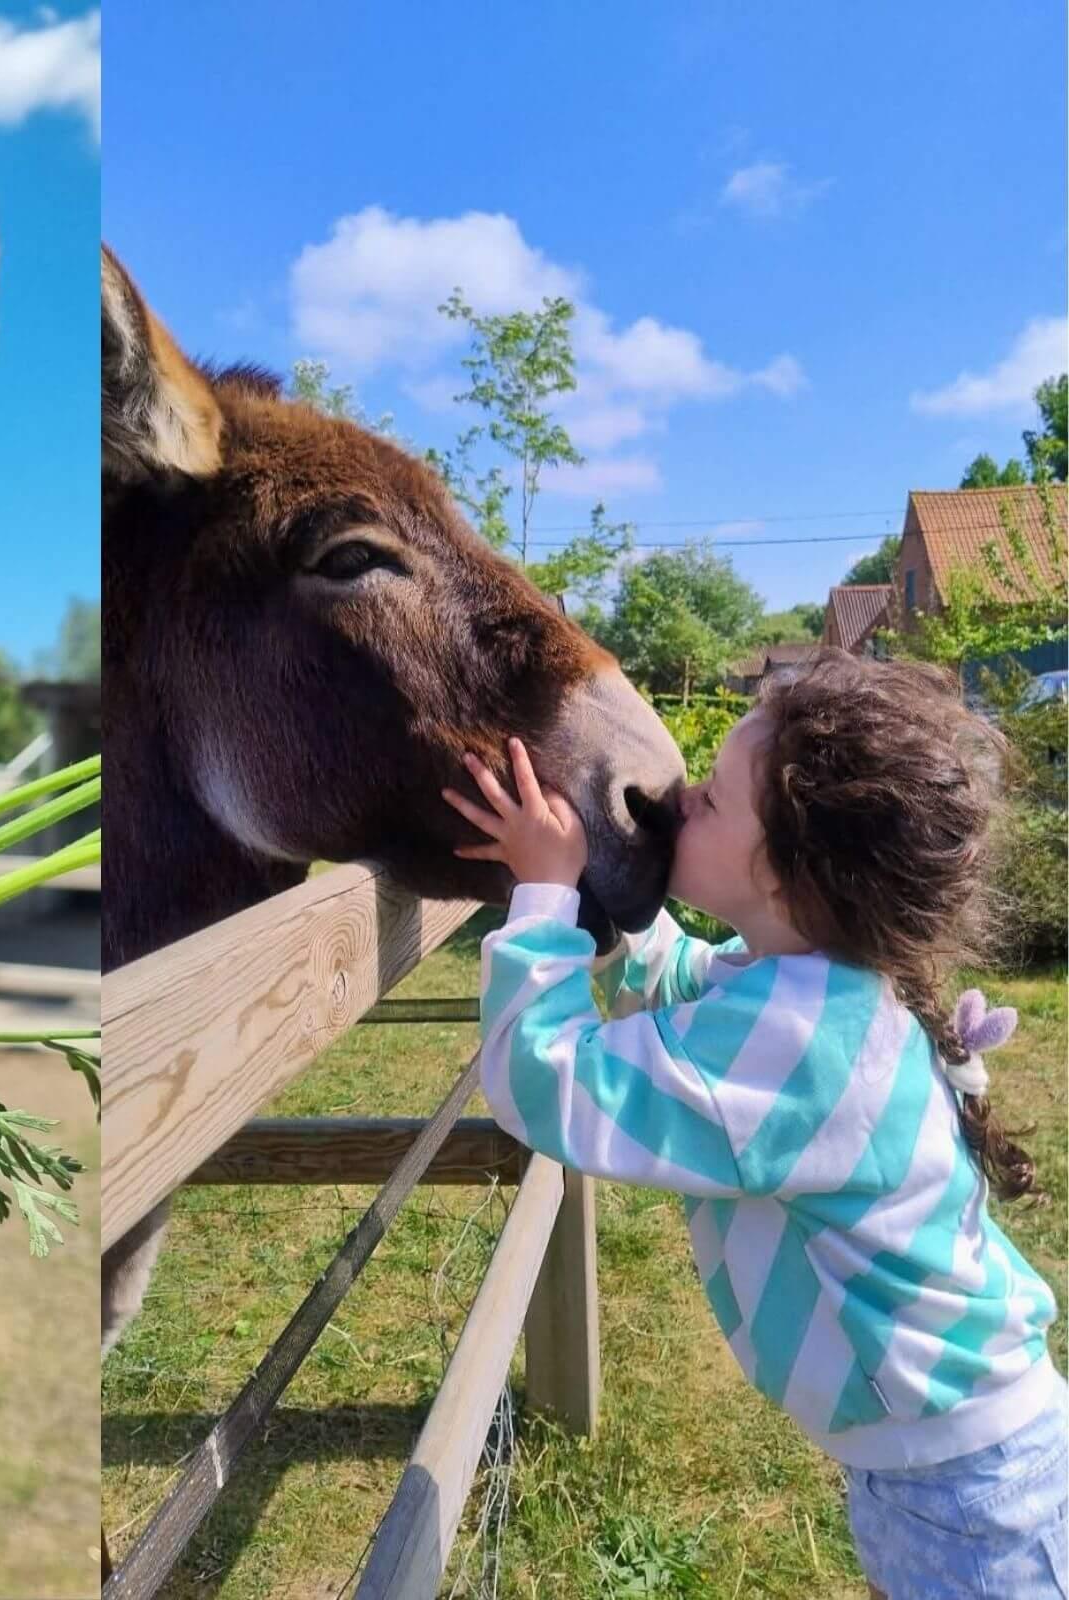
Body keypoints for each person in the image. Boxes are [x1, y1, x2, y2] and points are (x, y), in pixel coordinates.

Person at [440, 650, 1065, 1599]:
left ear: (786, 876)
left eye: (713, 799)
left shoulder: (800, 1042)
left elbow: (546, 1081)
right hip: (953, 1462)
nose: (679, 798)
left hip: (969, 1503)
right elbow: (674, 977)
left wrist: (543, 896)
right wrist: (597, 869)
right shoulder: (808, 987)